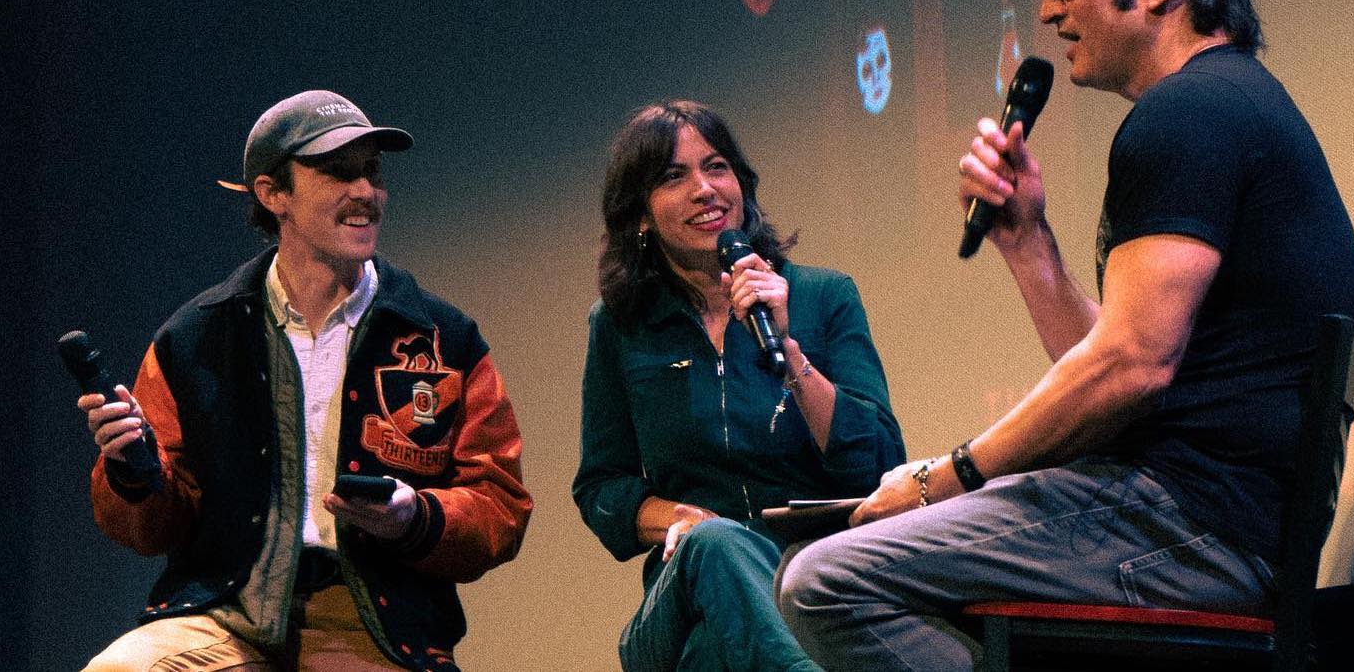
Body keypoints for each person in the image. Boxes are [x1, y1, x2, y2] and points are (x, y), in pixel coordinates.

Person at [777, 0, 1354, 669]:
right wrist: (1029, 242)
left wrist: (943, 477)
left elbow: (1131, 366)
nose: (1050, 10)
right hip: (1204, 523)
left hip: (1187, 526)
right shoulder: (1232, 104)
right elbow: (1127, 364)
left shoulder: (1189, 112)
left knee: (825, 580)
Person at [77, 90, 532, 671]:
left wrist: (413, 517)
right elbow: (152, 529)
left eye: (372, 172)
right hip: (227, 612)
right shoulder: (198, 336)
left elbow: (499, 506)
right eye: (339, 172)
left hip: (375, 625)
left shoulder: (444, 339)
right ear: (274, 194)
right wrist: (133, 471)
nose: (365, 191)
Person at [573, 100, 906, 672]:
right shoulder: (620, 327)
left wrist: (790, 353)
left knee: (713, 654)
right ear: (641, 215)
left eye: (716, 167)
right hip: (680, 596)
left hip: (812, 581)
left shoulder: (823, 297)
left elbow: (879, 464)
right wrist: (681, 520)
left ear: (742, 187)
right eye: (674, 177)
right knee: (716, 544)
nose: (705, 190)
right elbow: (601, 488)